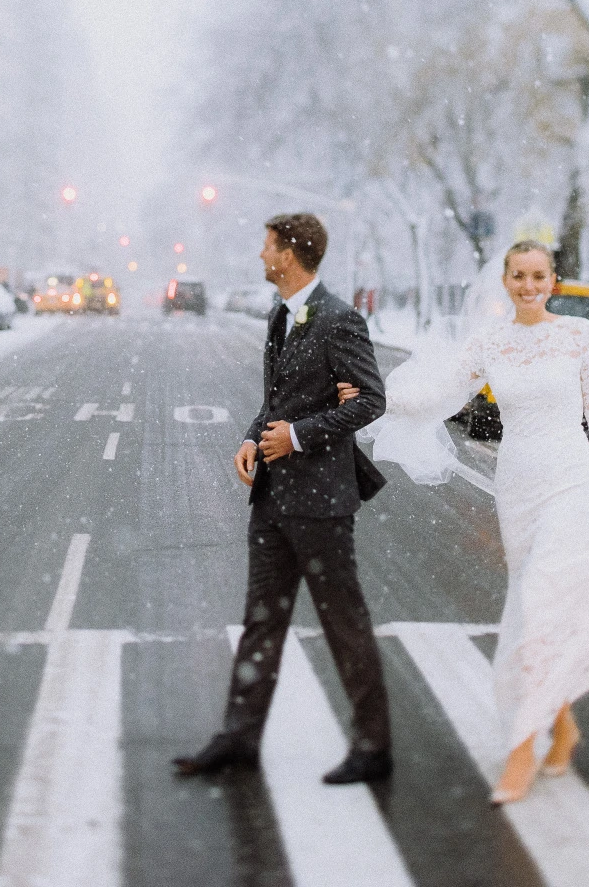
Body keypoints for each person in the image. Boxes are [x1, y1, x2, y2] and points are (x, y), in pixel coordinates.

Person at [364, 239, 589, 804]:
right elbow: (439, 396)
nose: (527, 285)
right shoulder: (490, 341)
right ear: (505, 280)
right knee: (532, 605)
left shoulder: (576, 335)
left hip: (571, 479)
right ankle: (563, 723)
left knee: (542, 598)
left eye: (538, 275)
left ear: (553, 281)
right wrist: (378, 399)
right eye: (518, 275)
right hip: (516, 485)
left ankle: (523, 745)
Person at [173, 213, 395, 785]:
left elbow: (370, 400)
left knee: (343, 622)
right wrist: (254, 436)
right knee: (261, 622)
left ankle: (374, 746)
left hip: (322, 503)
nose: (261, 256)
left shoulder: (340, 321)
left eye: (268, 247)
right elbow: (278, 399)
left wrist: (296, 436)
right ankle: (239, 738)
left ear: (291, 254)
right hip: (274, 500)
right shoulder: (281, 313)